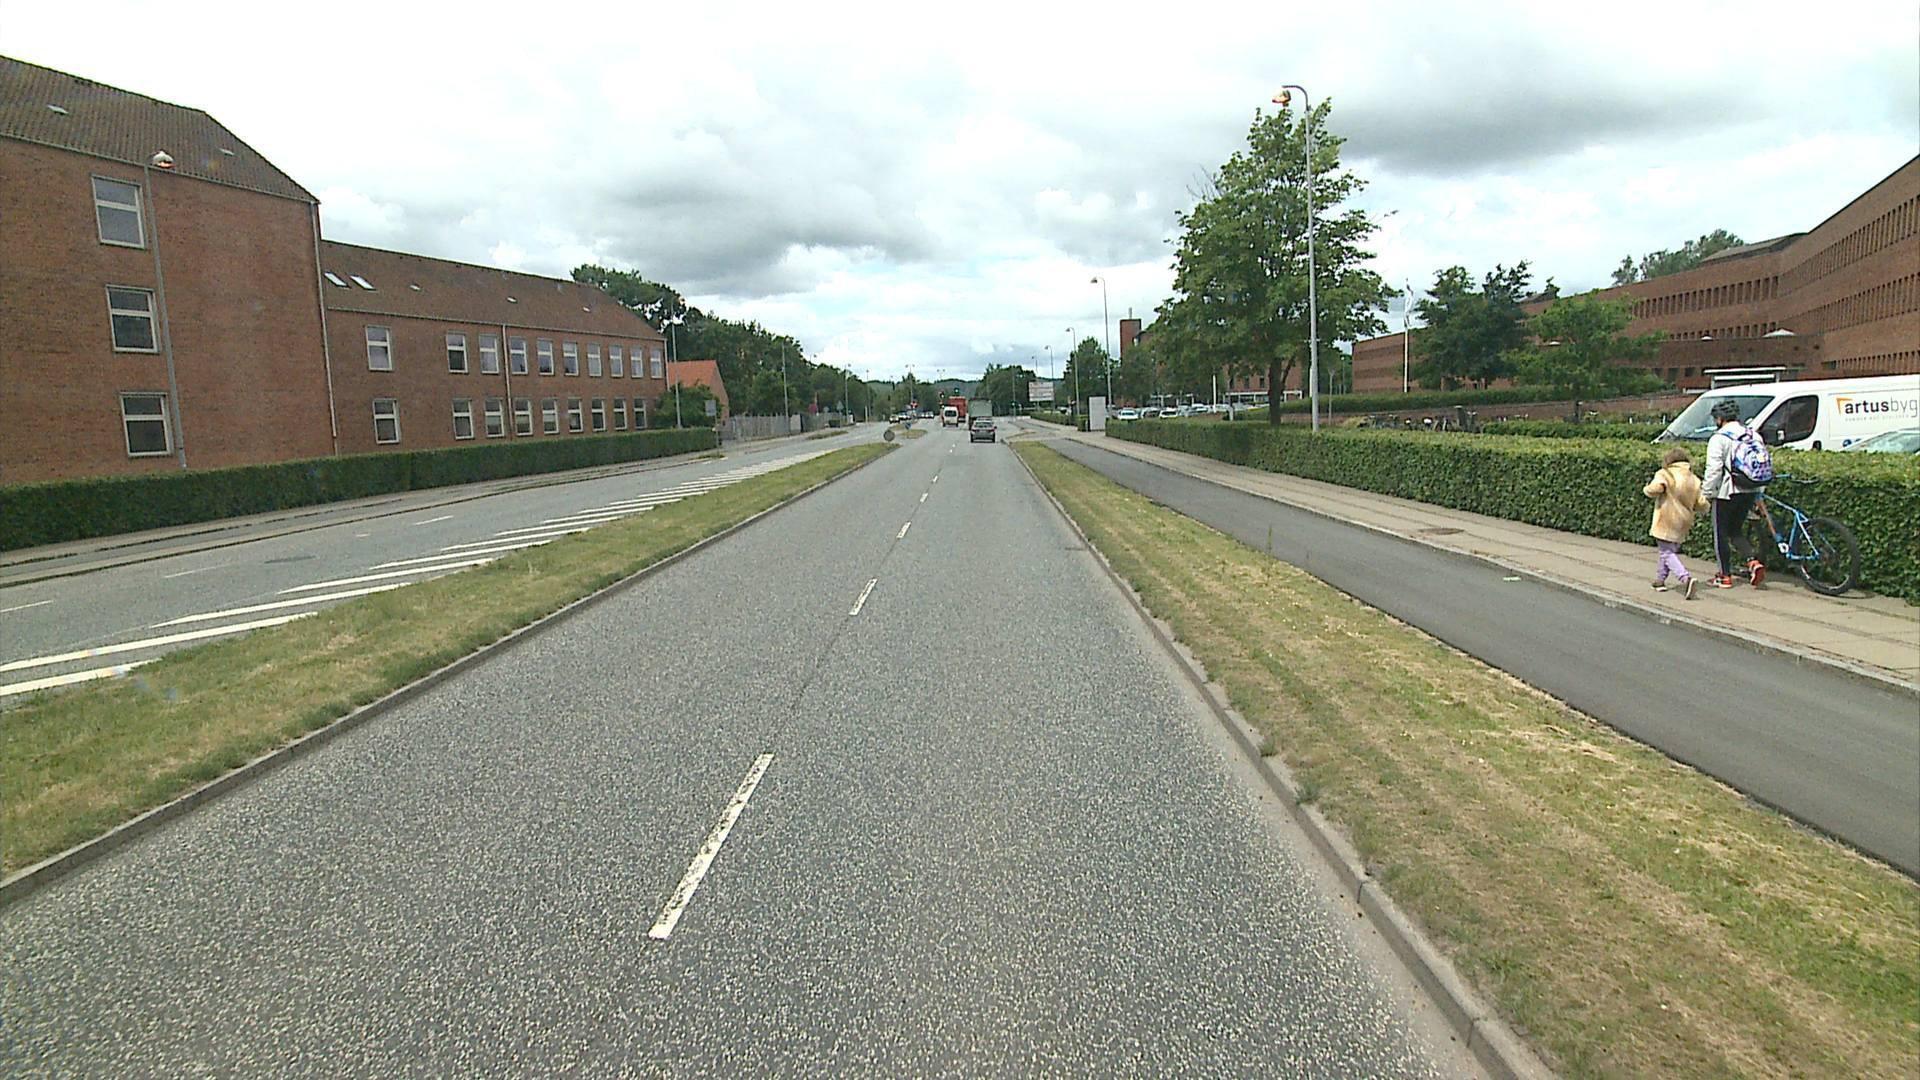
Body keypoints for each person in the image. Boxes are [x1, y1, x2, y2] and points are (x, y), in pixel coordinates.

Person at [1700, 399, 1768, 589]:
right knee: (1735, 530)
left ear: (1719, 419)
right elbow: (1762, 465)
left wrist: (1706, 493)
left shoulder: (1719, 438)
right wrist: (1759, 492)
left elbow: (1714, 469)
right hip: (1750, 488)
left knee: (1720, 534)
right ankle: (1753, 562)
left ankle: (1724, 576)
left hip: (1727, 492)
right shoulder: (1753, 435)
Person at [1643, 447, 1708, 599]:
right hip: (1684, 520)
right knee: (1667, 550)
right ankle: (1660, 580)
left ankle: (1685, 578)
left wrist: (1646, 488)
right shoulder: (1694, 479)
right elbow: (1701, 503)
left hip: (1666, 518)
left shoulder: (1665, 474)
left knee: (1666, 552)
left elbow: (1656, 489)